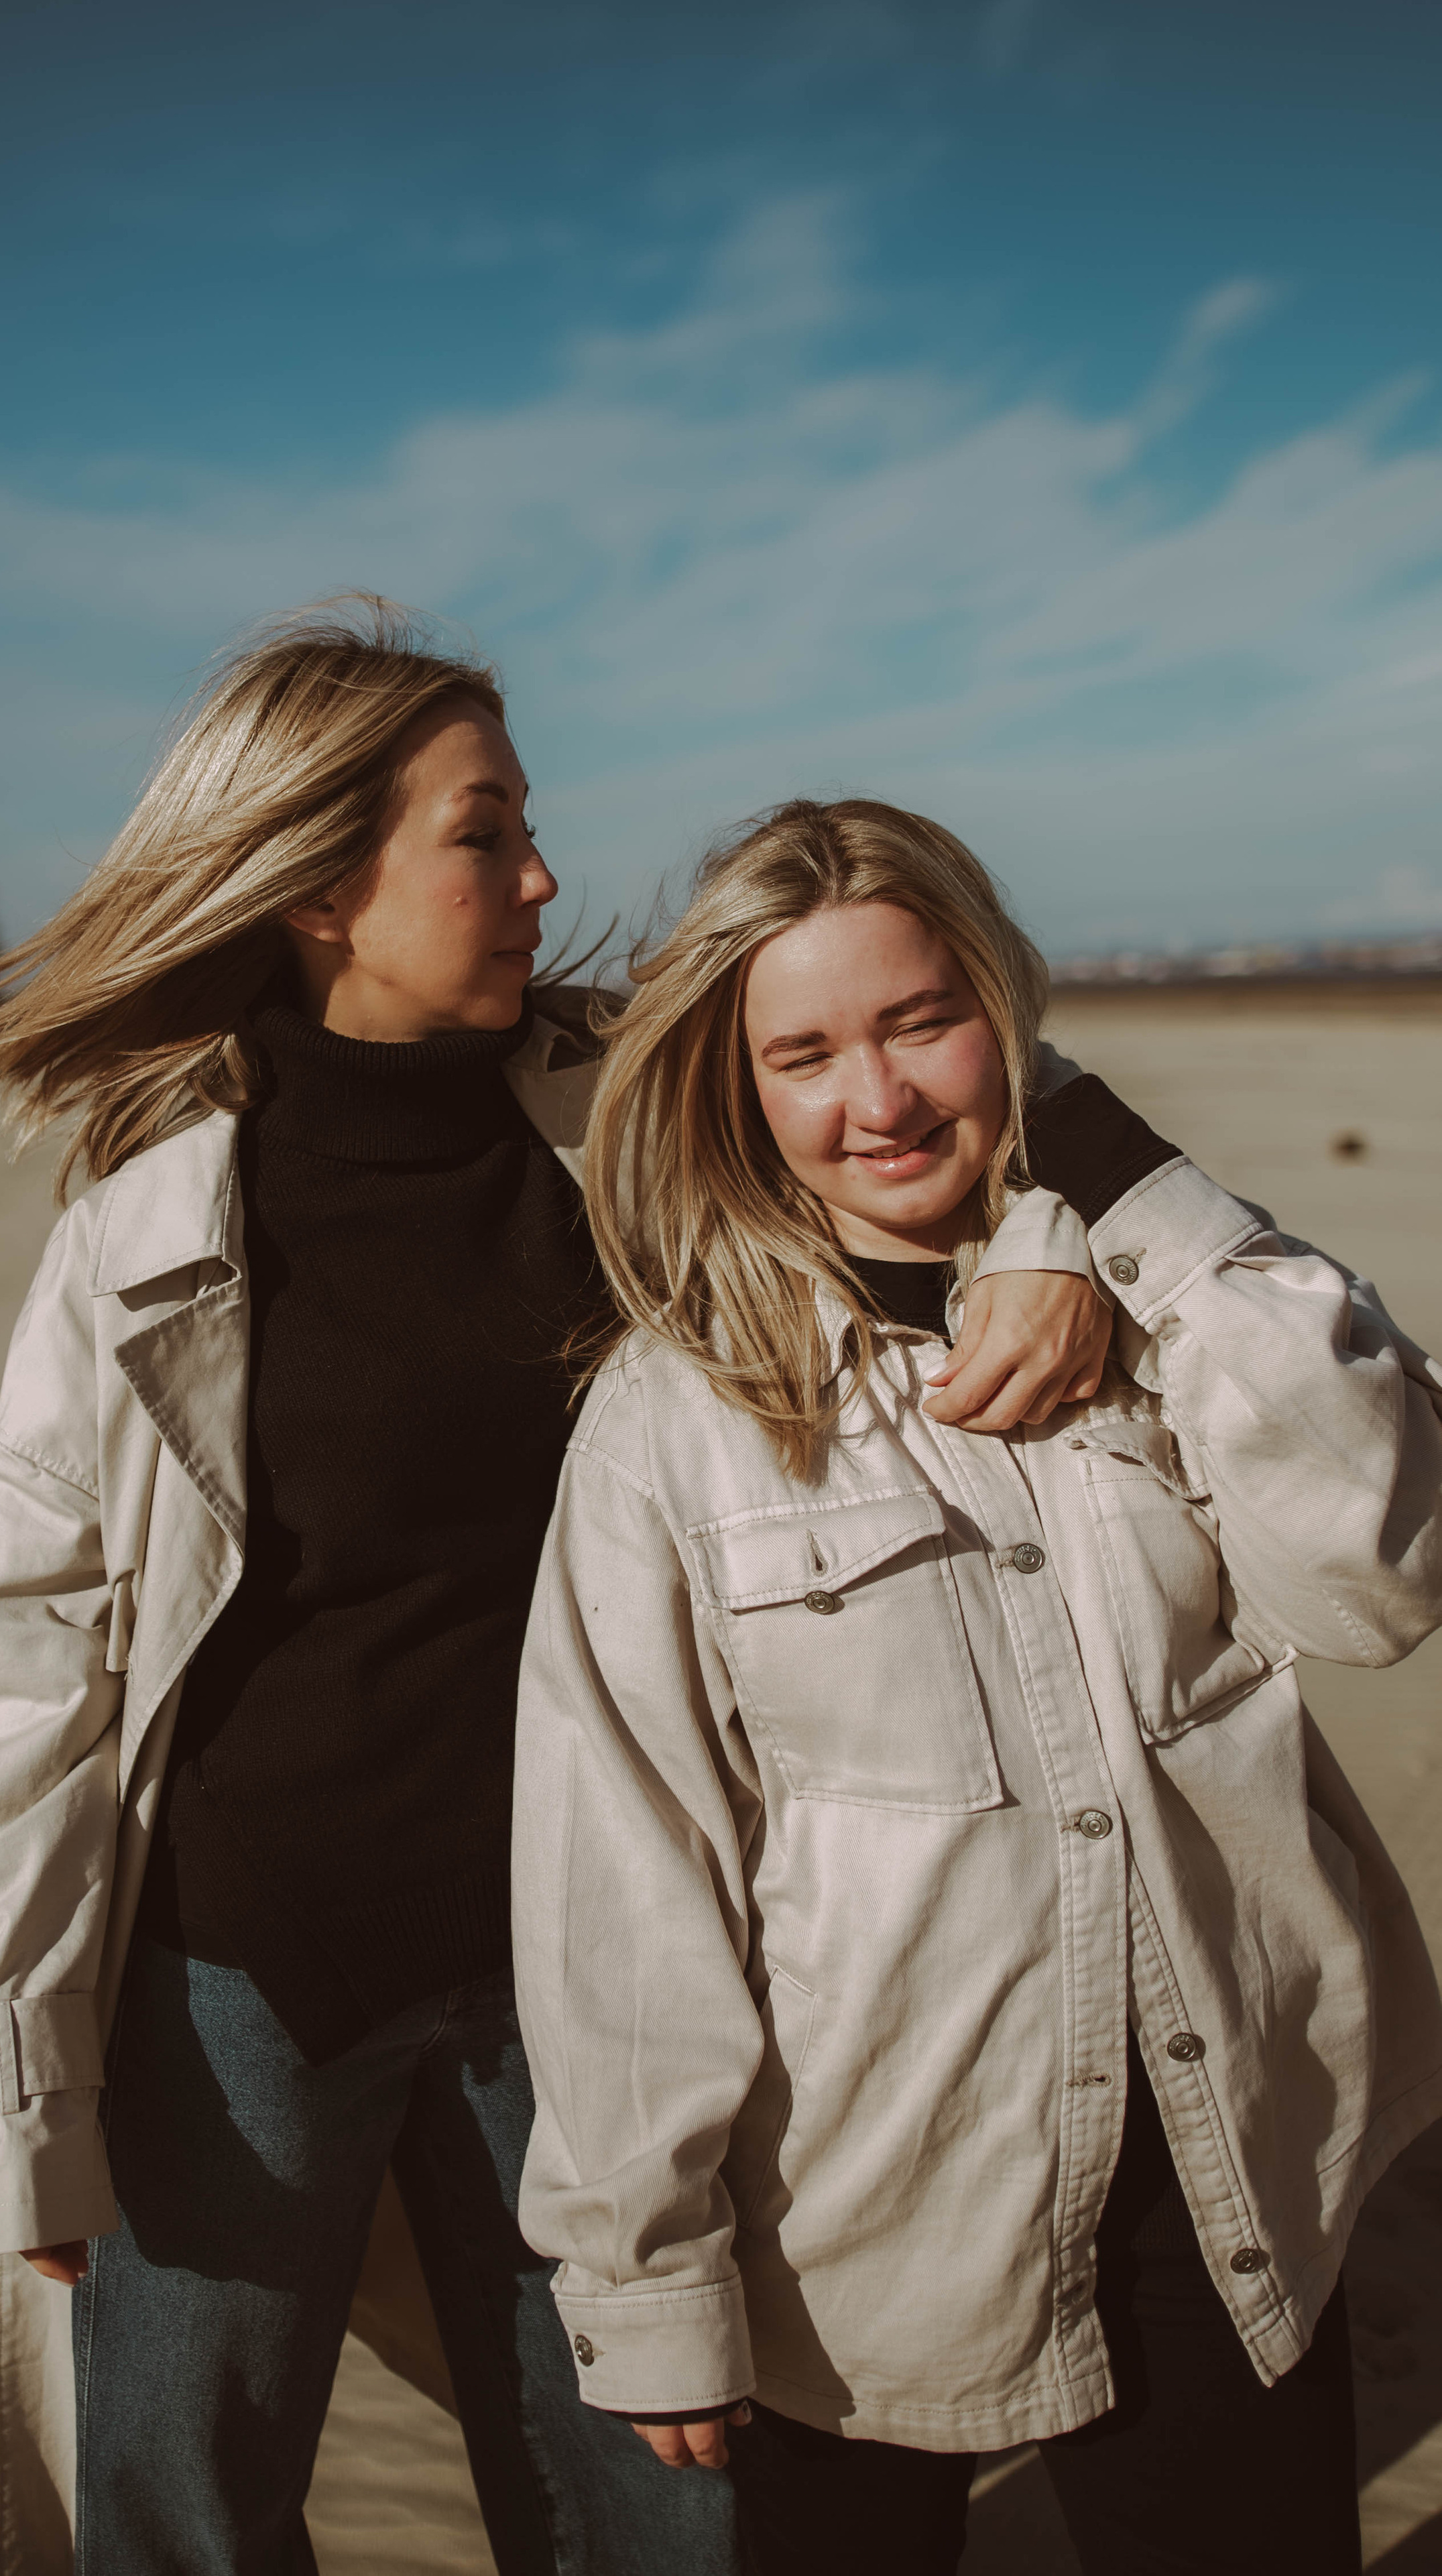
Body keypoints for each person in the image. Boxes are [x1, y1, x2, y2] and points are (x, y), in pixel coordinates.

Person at [0, 609, 1109, 2575]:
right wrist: (24, 2077)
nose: (539, 876)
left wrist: (1055, 1239)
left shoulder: (629, 1116)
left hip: (596, 1979)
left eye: (526, 828)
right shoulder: (151, 1228)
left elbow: (933, 1106)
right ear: (319, 881)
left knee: (650, 2505)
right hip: (241, 1980)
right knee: (180, 2512)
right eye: (483, 833)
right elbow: (33, 1677)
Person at [510, 794, 1442, 2576]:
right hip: (864, 2222)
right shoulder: (674, 1417)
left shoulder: (1157, 1303)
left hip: (1229, 2171)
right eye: (805, 1052)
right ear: (742, 1084)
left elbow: (1387, 1567)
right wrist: (644, 2269)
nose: (882, 1101)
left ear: (1006, 1014)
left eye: (924, 1020)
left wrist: (1113, 1178)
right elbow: (623, 1870)